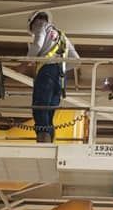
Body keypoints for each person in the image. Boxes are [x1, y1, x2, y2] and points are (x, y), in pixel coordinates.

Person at [22, 10, 79, 143]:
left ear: (34, 21)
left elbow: (37, 44)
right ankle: (49, 138)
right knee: (49, 111)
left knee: (40, 105)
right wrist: (62, 68)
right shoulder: (62, 36)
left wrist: (24, 63)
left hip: (46, 72)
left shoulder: (40, 25)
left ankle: (43, 137)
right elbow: (76, 59)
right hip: (60, 77)